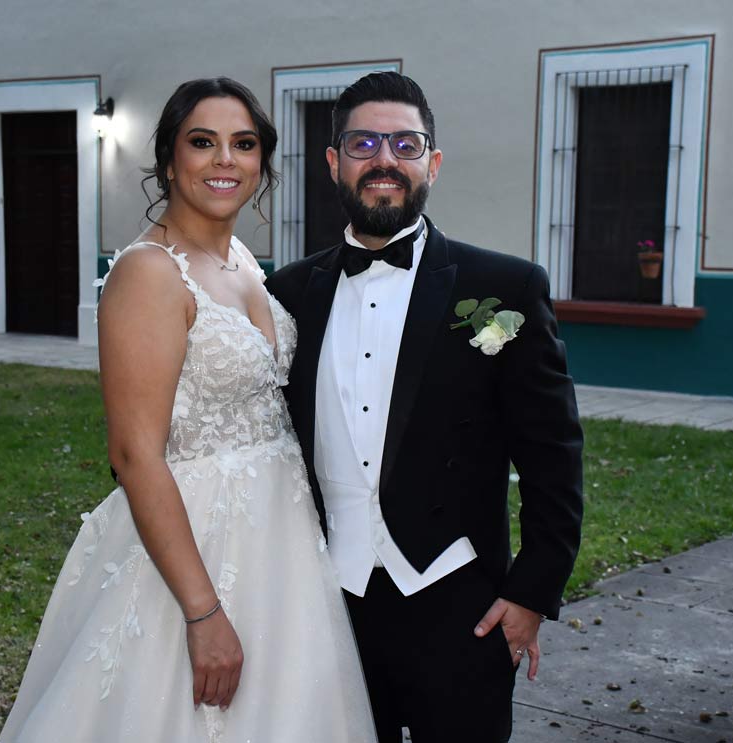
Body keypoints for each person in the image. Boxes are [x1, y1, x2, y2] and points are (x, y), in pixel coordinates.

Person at [0, 78, 376, 742]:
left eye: (244, 144)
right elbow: (134, 454)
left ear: (262, 163)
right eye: (203, 142)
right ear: (170, 161)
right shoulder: (148, 272)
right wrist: (202, 612)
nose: (225, 159)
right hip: (197, 549)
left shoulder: (241, 262)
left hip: (280, 545)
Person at [266, 71, 584, 743]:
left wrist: (531, 594)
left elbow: (553, 455)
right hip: (330, 604)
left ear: (432, 164)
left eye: (405, 145)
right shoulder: (287, 294)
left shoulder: (504, 287)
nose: (384, 159)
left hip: (462, 602)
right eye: (363, 143)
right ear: (333, 162)